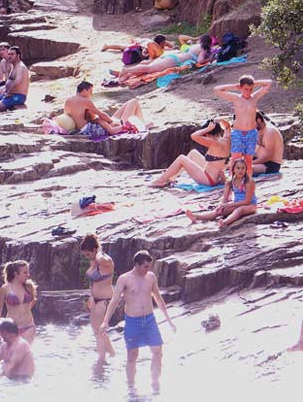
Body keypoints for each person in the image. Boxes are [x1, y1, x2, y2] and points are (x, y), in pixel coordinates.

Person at [102, 250, 176, 389]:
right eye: (145, 266)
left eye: (149, 266)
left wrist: (168, 319)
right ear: (136, 264)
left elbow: (158, 298)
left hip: (149, 320)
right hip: (132, 322)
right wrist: (105, 321)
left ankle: (155, 384)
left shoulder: (151, 277)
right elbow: (114, 300)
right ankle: (131, 389)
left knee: (158, 351)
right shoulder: (124, 279)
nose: (148, 269)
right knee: (132, 355)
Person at [213, 75, 272, 173]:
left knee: (248, 161)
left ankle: (248, 182)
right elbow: (217, 89)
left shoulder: (254, 97)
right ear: (241, 88)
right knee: (235, 159)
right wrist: (235, 86)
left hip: (251, 133)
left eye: (250, 89)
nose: (248, 91)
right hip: (238, 133)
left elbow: (268, 82)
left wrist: (253, 83)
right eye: (245, 89)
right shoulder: (235, 98)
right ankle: (232, 182)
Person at [150, 118, 230, 187]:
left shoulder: (213, 142)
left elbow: (193, 136)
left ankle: (159, 181)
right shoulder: (226, 140)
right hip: (216, 177)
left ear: (207, 134)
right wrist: (221, 120)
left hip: (209, 180)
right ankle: (172, 177)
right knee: (193, 153)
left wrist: (207, 129)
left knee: (181, 158)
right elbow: (227, 127)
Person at [184, 158, 258, 227]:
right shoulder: (229, 181)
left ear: (246, 170)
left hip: (250, 205)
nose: (240, 170)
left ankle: (224, 222)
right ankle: (197, 217)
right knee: (219, 211)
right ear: (233, 169)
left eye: (243, 168)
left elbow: (247, 201)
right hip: (237, 203)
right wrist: (221, 206)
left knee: (239, 210)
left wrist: (229, 205)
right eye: (238, 168)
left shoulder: (249, 182)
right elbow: (224, 199)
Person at [114, 34, 215, 82]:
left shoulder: (193, 46)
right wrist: (209, 58)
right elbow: (200, 61)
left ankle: (129, 73)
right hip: (173, 60)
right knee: (149, 69)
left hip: (170, 56)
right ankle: (126, 70)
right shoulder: (203, 48)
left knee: (148, 65)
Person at [60, 81, 146, 135]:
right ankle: (141, 125)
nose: (91, 94)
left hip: (82, 128)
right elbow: (101, 114)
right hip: (88, 128)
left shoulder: (68, 101)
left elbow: (69, 116)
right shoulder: (84, 101)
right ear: (84, 91)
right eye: (90, 92)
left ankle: (143, 125)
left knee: (130, 103)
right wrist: (111, 122)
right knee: (134, 102)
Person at [80, 234, 117, 361]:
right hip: (95, 299)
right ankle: (112, 354)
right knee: (96, 329)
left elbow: (100, 258)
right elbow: (93, 281)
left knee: (99, 331)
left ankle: (101, 361)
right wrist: (91, 296)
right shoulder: (93, 260)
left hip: (105, 299)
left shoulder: (106, 260)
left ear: (95, 250)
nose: (86, 257)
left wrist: (98, 253)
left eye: (88, 254)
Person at [0, 260, 38, 344]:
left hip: (28, 326)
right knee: (12, 356)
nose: (28, 275)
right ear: (16, 274)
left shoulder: (29, 286)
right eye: (25, 272)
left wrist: (25, 310)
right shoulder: (5, 289)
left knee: (24, 353)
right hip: (11, 328)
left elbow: (33, 301)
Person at [0, 46, 28, 114]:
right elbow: (8, 81)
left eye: (12, 54)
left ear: (18, 55)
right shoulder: (14, 66)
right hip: (9, 94)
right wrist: (5, 90)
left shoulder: (21, 67)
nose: (10, 56)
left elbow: (17, 82)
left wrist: (9, 93)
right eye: (9, 54)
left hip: (17, 96)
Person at [253, 111, 284, 175]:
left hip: (270, 164)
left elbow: (268, 157)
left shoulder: (270, 131)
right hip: (258, 160)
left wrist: (249, 163)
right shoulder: (259, 129)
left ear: (258, 121)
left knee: (245, 170)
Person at [102, 34, 167, 63]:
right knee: (121, 47)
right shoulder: (152, 47)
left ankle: (133, 39)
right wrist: (145, 55)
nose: (165, 44)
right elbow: (144, 51)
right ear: (161, 43)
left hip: (142, 43)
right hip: (139, 46)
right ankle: (107, 45)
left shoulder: (157, 46)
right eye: (164, 43)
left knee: (124, 46)